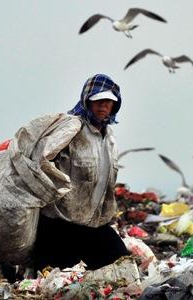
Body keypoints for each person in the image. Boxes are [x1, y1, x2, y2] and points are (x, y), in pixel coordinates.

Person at [31, 73, 130, 272]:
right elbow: (40, 161)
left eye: (108, 102)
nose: (103, 107)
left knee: (122, 265)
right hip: (58, 225)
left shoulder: (109, 138)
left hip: (90, 224)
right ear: (87, 101)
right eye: (98, 101)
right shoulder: (71, 128)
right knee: (62, 279)